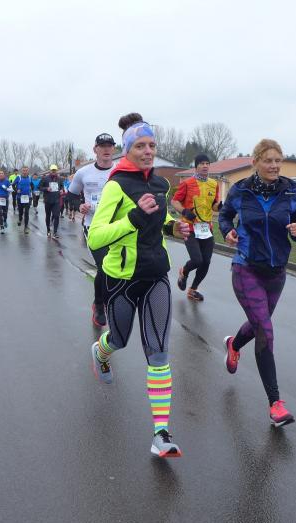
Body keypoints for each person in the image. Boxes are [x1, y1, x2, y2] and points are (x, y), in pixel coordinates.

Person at [87, 113, 190, 458]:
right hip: (121, 279)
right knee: (118, 339)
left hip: (156, 275)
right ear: (128, 150)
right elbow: (96, 237)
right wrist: (133, 217)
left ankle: (161, 434)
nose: (148, 151)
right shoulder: (116, 185)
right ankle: (100, 352)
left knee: (159, 352)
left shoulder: (160, 184)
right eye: (141, 146)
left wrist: (173, 227)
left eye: (152, 145)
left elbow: (160, 219)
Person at [218, 138, 296, 428]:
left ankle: (234, 344)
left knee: (260, 323)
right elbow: (225, 216)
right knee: (265, 331)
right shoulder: (241, 190)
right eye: (268, 161)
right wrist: (228, 231)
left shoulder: (290, 191)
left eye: (278, 161)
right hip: (246, 267)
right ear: (255, 162)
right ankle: (275, 404)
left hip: (276, 271)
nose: (274, 166)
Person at [67, 132, 115, 327]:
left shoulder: (120, 171)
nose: (106, 149)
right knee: (104, 266)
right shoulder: (83, 173)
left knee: (116, 268)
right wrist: (79, 206)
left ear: (114, 149)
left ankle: (112, 300)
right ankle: (99, 305)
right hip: (93, 225)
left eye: (109, 145)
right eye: (102, 146)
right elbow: (71, 195)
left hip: (117, 226)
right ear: (95, 149)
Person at [171, 154, 221, 302]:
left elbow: (214, 205)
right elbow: (175, 201)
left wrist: (219, 206)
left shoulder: (214, 184)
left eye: (207, 163)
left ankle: (193, 290)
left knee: (206, 262)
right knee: (197, 260)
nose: (205, 166)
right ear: (196, 166)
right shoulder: (187, 183)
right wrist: (184, 211)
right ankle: (184, 272)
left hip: (206, 228)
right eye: (202, 163)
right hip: (190, 228)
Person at [40, 165, 63, 238]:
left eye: (55, 170)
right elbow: (40, 187)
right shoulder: (45, 178)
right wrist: (46, 189)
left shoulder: (60, 179)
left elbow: (61, 186)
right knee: (48, 215)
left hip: (56, 200)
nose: (54, 171)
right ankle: (48, 230)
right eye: (52, 170)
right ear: (50, 171)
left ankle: (55, 232)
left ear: (57, 171)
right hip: (48, 200)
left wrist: (62, 190)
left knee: (56, 216)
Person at [13, 166, 34, 234]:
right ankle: (20, 219)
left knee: (26, 212)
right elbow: (13, 185)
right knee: (21, 211)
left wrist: (31, 189)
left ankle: (26, 227)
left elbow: (32, 186)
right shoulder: (18, 177)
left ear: (28, 171)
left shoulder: (30, 178)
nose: (25, 172)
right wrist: (16, 190)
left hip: (28, 197)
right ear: (22, 171)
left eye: (26, 170)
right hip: (20, 197)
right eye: (24, 170)